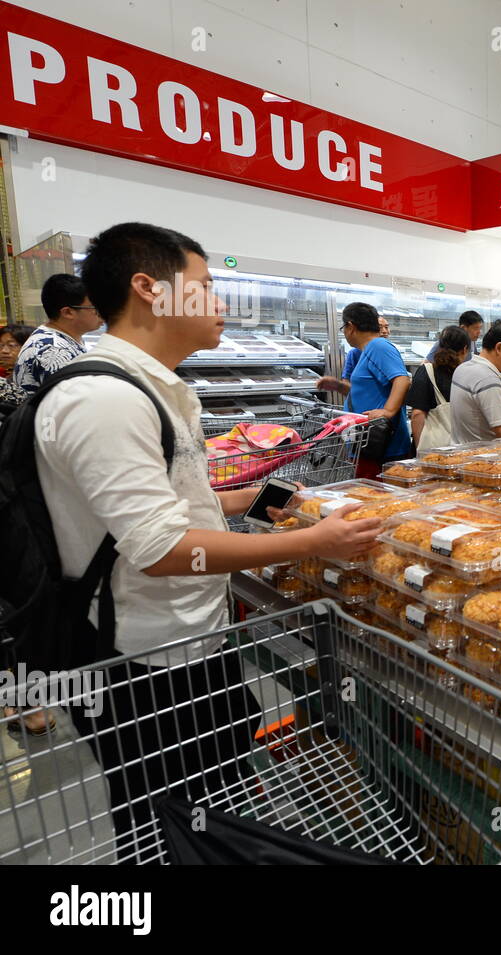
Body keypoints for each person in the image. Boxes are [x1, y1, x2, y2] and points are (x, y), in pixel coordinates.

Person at [33, 222, 381, 860]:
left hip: (189, 644)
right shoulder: (103, 399)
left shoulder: (151, 388)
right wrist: (313, 545)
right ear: (148, 289)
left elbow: (161, 508)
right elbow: (161, 549)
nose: (221, 304)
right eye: (206, 287)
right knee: (165, 826)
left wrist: (249, 502)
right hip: (140, 662)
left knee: (219, 806)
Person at [316, 302, 411, 477]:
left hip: (382, 446)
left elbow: (402, 380)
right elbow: (367, 391)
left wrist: (387, 411)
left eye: (343, 328)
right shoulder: (366, 351)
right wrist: (338, 386)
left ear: (350, 327)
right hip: (368, 444)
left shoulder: (379, 346)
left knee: (377, 498)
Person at [12, 274, 101, 395]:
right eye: (95, 308)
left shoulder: (60, 337)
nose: (102, 312)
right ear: (68, 312)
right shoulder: (52, 351)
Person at [408, 325, 469, 449]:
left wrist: (420, 448)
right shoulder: (468, 374)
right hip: (463, 445)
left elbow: (417, 414)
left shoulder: (426, 371)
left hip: (434, 447)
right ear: (464, 349)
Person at [341, 313, 390, 380]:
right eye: (379, 327)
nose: (384, 331)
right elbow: (347, 379)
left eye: (386, 327)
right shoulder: (355, 353)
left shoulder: (389, 351)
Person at [0, 324, 34, 406]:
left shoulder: (34, 377)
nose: (4, 351)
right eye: (1, 345)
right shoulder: (12, 376)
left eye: (11, 345)